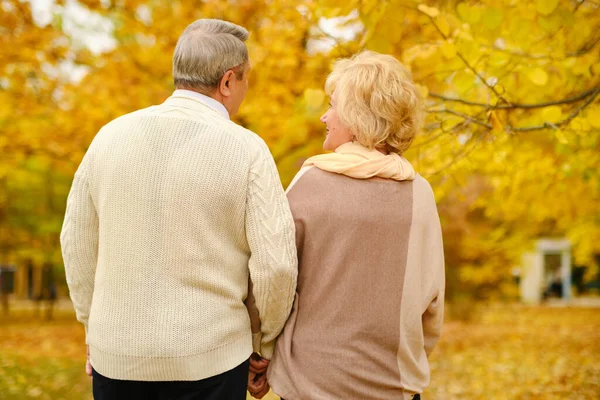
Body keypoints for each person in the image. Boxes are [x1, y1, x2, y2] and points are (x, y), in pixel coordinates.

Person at [61, 19, 298, 400]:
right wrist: (264, 342)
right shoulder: (247, 149)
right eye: (245, 81)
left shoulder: (108, 137)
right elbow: (277, 266)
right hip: (212, 361)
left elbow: (75, 243)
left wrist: (94, 327)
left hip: (118, 359)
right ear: (227, 81)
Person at [248, 51, 445, 400]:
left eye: (333, 106)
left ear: (357, 117)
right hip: (393, 387)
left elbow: (275, 279)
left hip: (310, 385)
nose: (325, 116)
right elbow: (432, 305)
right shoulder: (420, 194)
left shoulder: (310, 183)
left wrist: (261, 350)